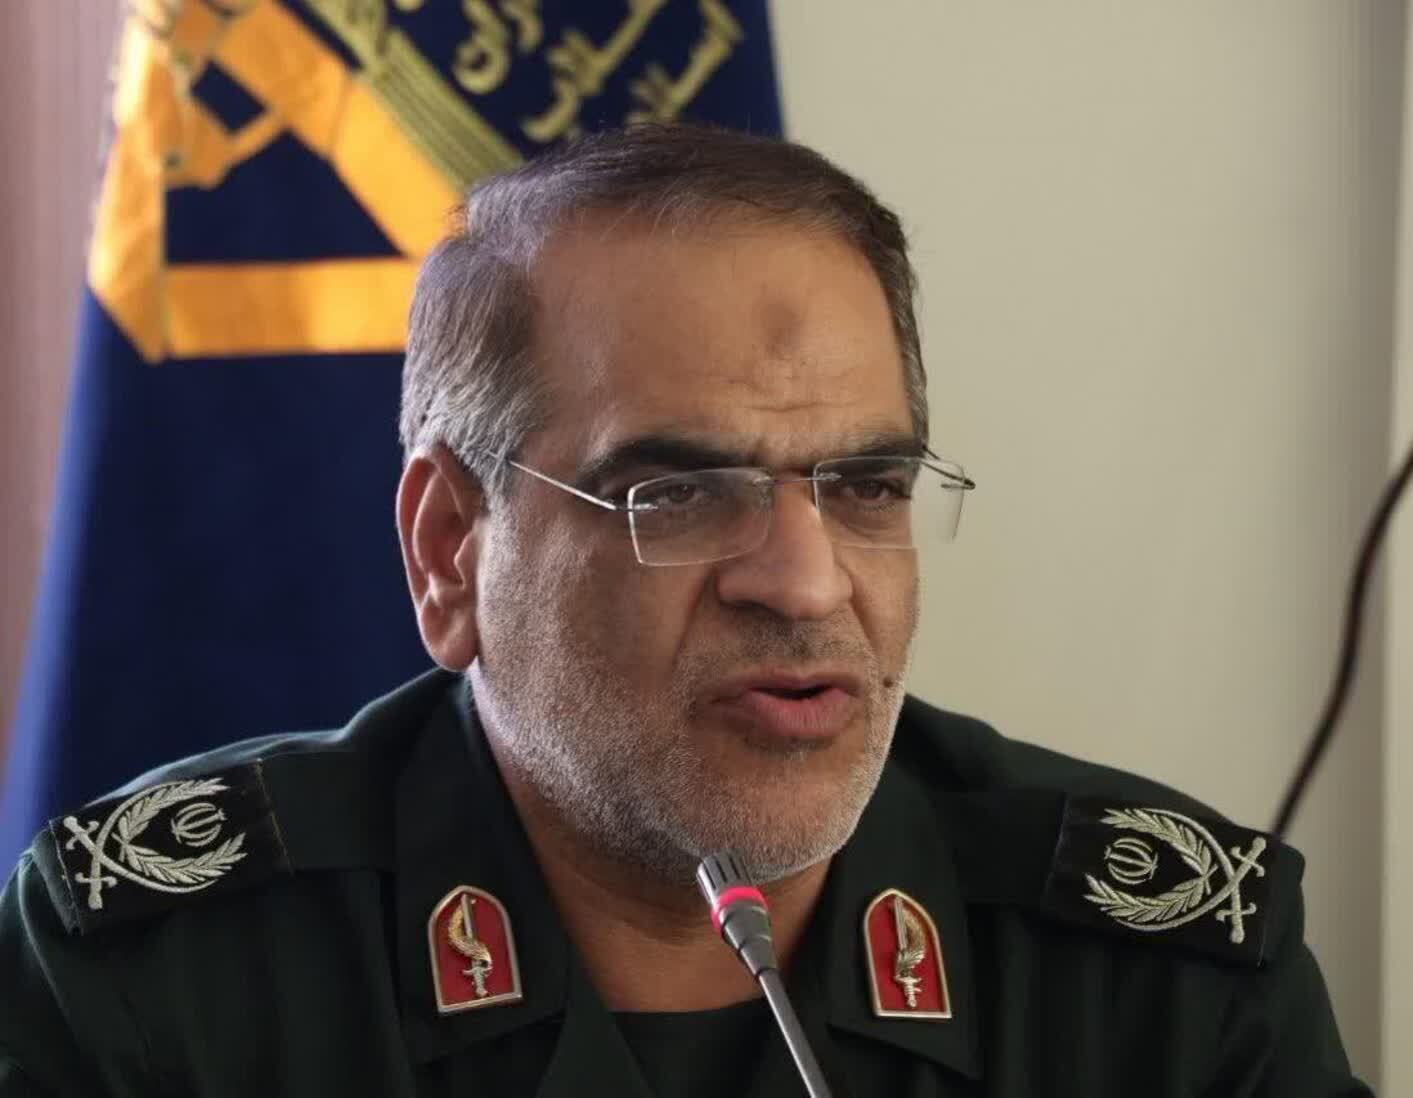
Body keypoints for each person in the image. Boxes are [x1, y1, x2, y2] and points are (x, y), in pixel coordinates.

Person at [0, 126, 1368, 1097]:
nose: (808, 583)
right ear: (450, 550)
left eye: (867, 485)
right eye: (682, 493)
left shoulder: (1156, 986)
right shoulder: (160, 984)